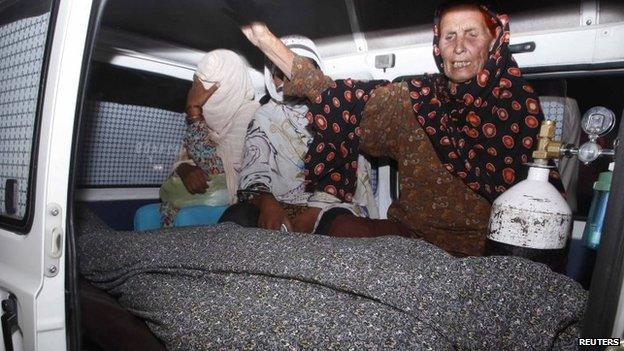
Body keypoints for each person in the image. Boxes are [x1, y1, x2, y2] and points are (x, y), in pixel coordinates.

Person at [239, 2, 557, 256]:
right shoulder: (417, 99)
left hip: (485, 250)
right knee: (341, 232)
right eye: (449, 36)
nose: (460, 47)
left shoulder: (517, 105)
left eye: (472, 34)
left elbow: (536, 213)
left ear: (496, 39)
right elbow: (334, 95)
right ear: (438, 46)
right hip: (411, 240)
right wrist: (264, 38)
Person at [219, 36, 378, 233]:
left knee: (346, 228)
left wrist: (313, 213)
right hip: (277, 204)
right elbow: (254, 171)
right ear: (270, 77)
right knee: (236, 218)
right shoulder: (264, 117)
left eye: (295, 71)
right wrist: (267, 204)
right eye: (280, 73)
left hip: (331, 205)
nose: (289, 79)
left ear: (315, 73)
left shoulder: (339, 110)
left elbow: (348, 172)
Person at [160, 49, 259, 227]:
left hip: (233, 216)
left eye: (210, 85)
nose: (201, 91)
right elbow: (183, 160)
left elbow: (217, 170)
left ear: (229, 84)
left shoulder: (252, 117)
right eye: (199, 85)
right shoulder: (207, 123)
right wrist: (184, 169)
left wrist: (193, 110)